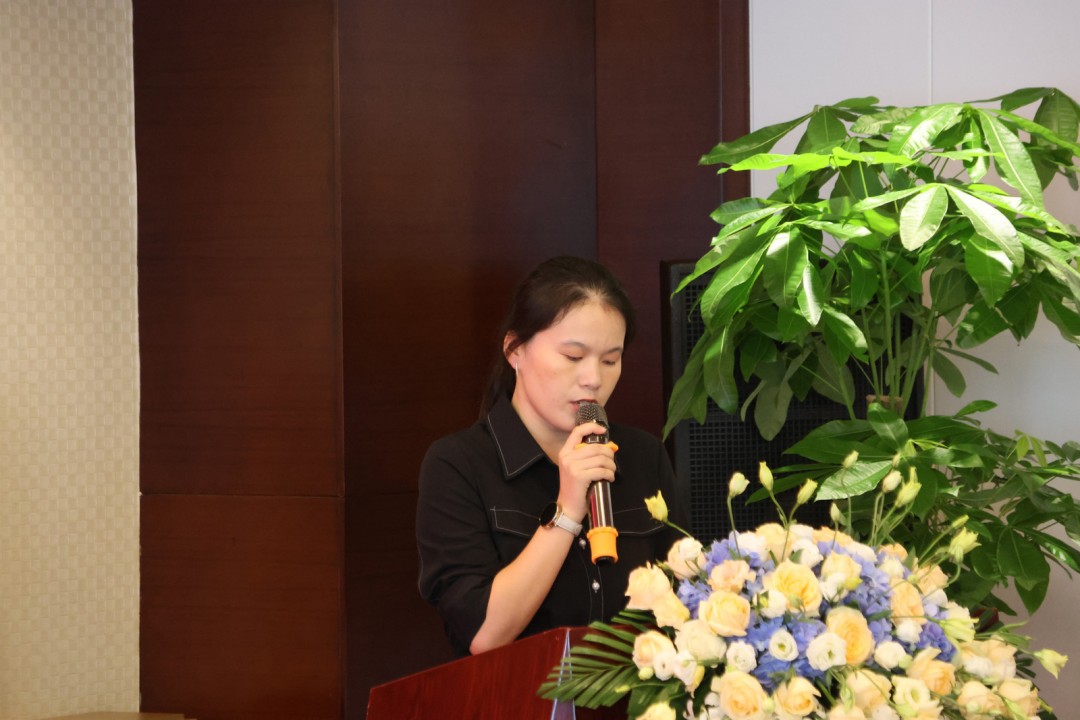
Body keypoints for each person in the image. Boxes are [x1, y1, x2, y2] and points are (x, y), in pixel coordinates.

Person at [416, 256, 689, 657]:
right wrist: (567, 511)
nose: (593, 379)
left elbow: (684, 602)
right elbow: (485, 635)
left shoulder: (643, 455)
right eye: (573, 357)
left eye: (610, 360)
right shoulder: (457, 465)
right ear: (515, 350)